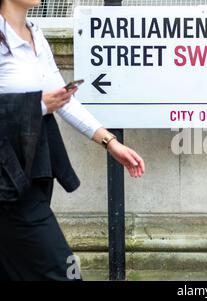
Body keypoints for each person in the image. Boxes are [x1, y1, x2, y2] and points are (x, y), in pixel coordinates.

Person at [0, 0, 146, 281]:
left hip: (32, 169)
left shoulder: (35, 34)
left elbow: (64, 100)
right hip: (8, 179)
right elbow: (47, 101)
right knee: (63, 270)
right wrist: (40, 104)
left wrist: (110, 142)